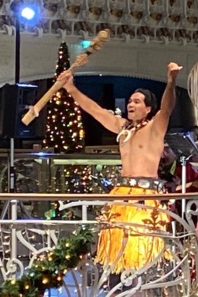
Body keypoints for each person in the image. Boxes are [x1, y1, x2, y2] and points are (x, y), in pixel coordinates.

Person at [59, 62, 181, 274]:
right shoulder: (123, 128)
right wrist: (71, 88)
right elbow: (95, 110)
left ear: (148, 108)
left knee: (142, 254)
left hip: (146, 197)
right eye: (130, 101)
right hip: (122, 195)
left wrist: (171, 81)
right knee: (117, 254)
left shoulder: (155, 128)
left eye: (137, 101)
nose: (130, 105)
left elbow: (167, 108)